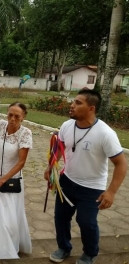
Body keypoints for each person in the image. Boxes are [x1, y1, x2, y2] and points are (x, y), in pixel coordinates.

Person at [44, 89, 127, 264]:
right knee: (61, 218)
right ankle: (64, 247)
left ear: (91, 108)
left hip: (92, 188)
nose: (72, 105)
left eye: (78, 103)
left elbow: (121, 164)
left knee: (86, 222)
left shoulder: (105, 133)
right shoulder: (67, 126)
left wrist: (111, 192)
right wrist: (51, 167)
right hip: (67, 181)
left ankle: (90, 253)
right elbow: (60, 146)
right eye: (73, 101)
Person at [0, 102, 32, 260]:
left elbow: (21, 162)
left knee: (7, 218)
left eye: (17, 116)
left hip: (10, 182)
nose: (12, 119)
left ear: (23, 117)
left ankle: (9, 247)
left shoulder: (25, 133)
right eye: (10, 114)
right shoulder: (1, 126)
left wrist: (2, 181)